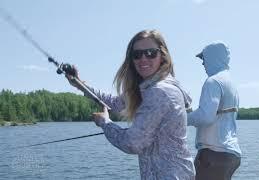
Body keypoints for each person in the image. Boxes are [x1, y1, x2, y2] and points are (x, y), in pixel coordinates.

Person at [66, 29, 195, 179]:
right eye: (137, 54)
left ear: (162, 55)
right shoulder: (149, 89)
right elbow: (114, 102)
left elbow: (133, 143)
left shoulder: (160, 92)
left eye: (151, 53)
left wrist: (105, 123)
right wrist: (79, 84)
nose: (143, 59)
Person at [187, 42, 241, 180]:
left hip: (214, 155)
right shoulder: (231, 84)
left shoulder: (213, 81)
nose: (203, 64)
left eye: (204, 59)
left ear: (213, 57)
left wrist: (181, 117)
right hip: (230, 154)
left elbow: (206, 116)